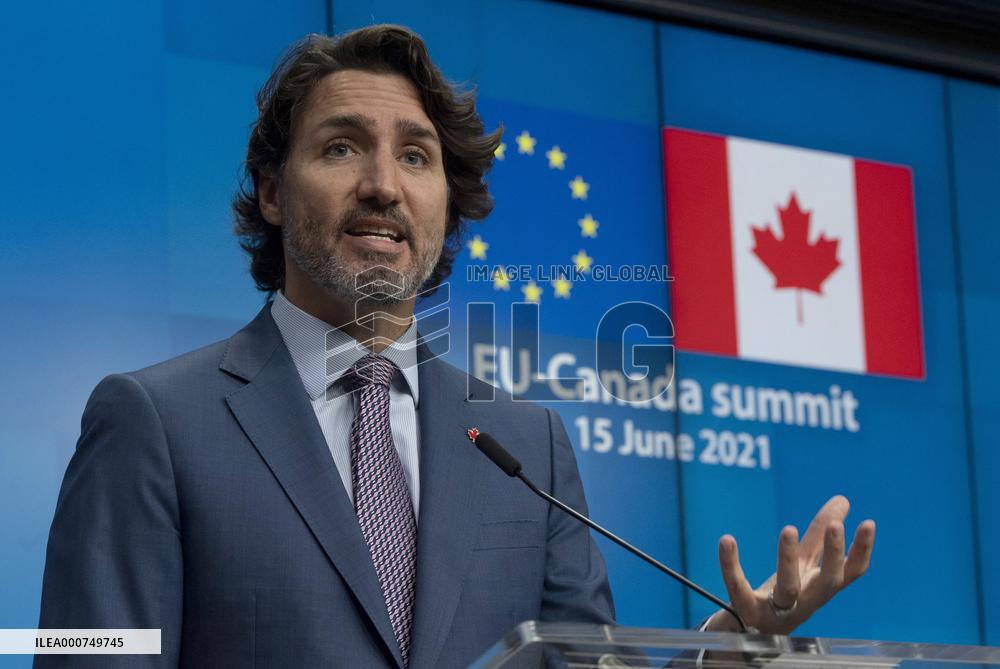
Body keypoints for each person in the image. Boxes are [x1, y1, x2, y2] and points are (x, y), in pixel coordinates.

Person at [36, 25, 875, 668]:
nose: (382, 184)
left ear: (449, 205)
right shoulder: (154, 420)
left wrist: (725, 644)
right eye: (340, 147)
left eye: (416, 155)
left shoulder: (529, 445)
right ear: (271, 193)